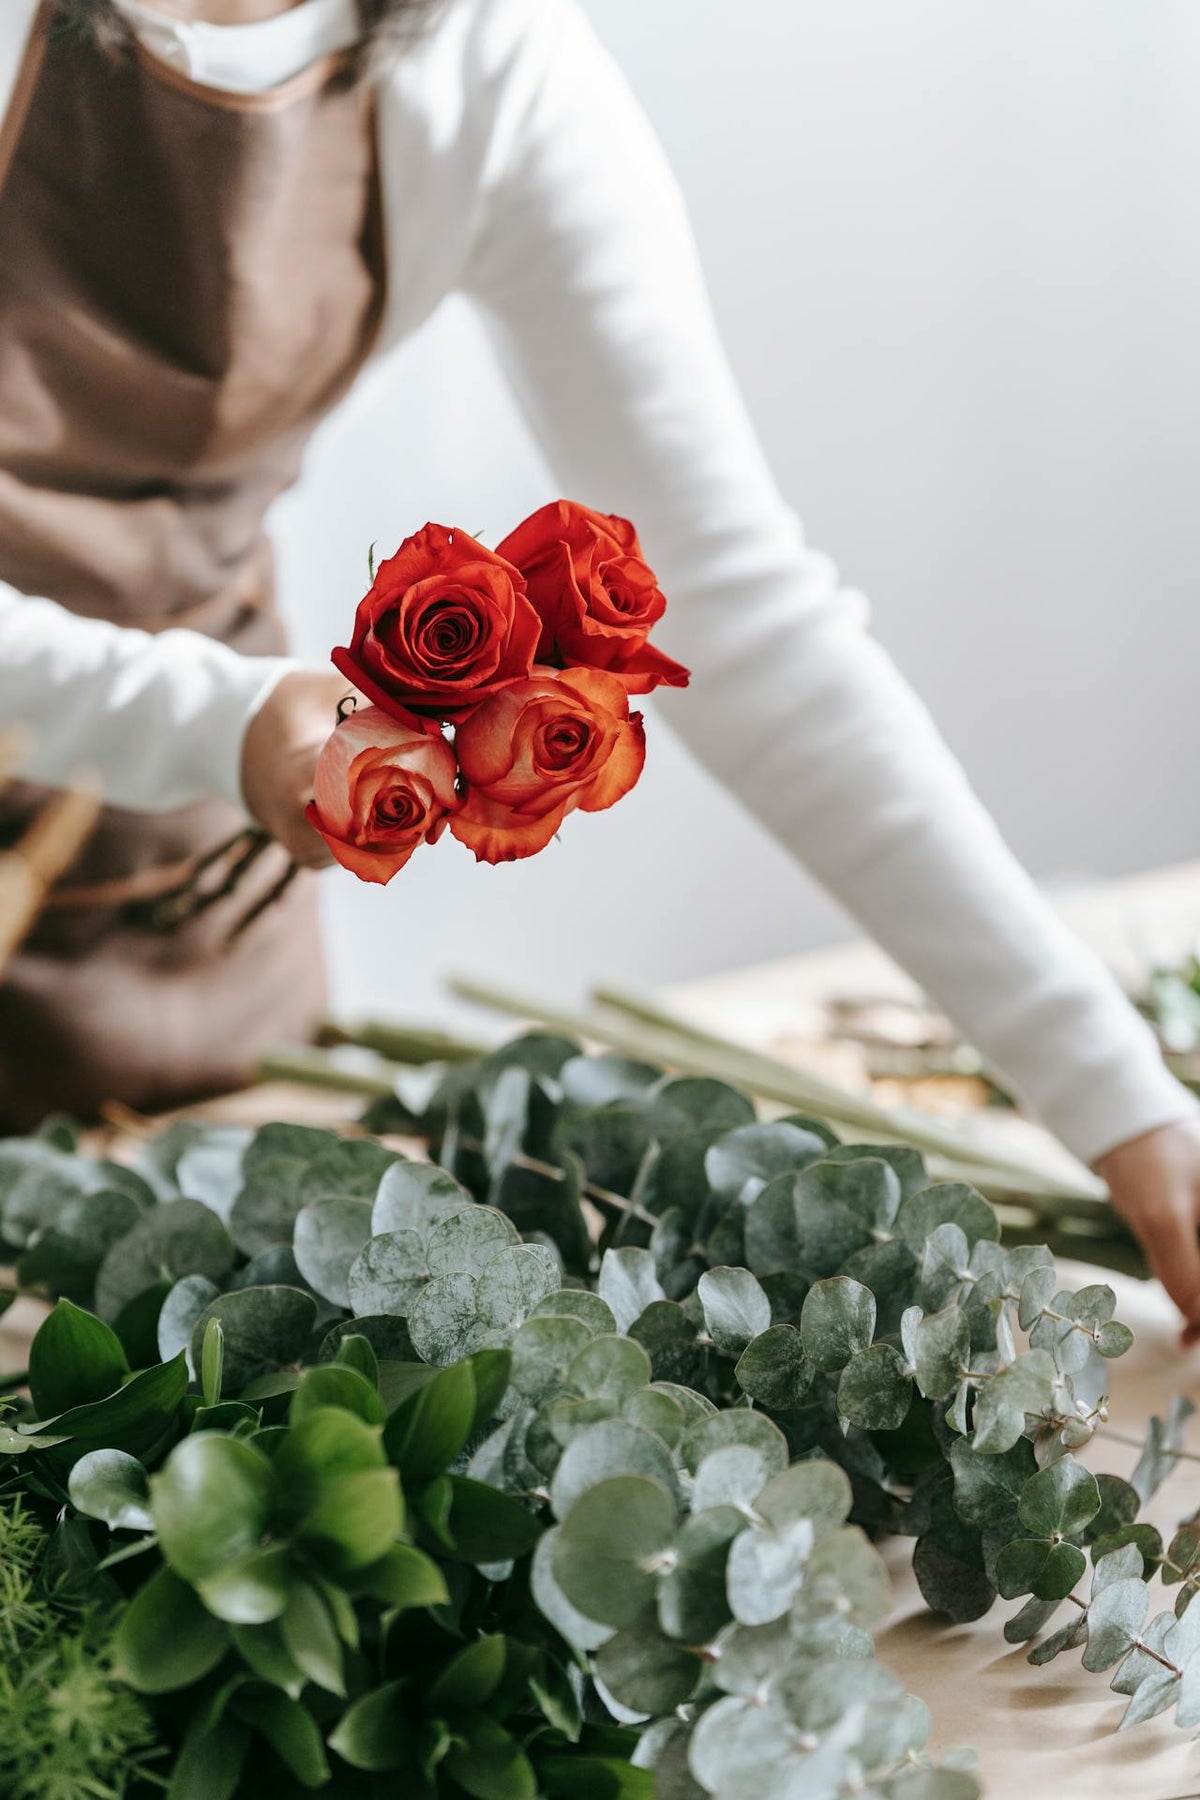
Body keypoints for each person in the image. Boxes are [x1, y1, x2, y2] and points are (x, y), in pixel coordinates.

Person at [2, 0, 1200, 1327]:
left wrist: (1116, 1097)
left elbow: (732, 610)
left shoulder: (486, 57)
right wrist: (218, 722)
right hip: (216, 742)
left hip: (200, 895)